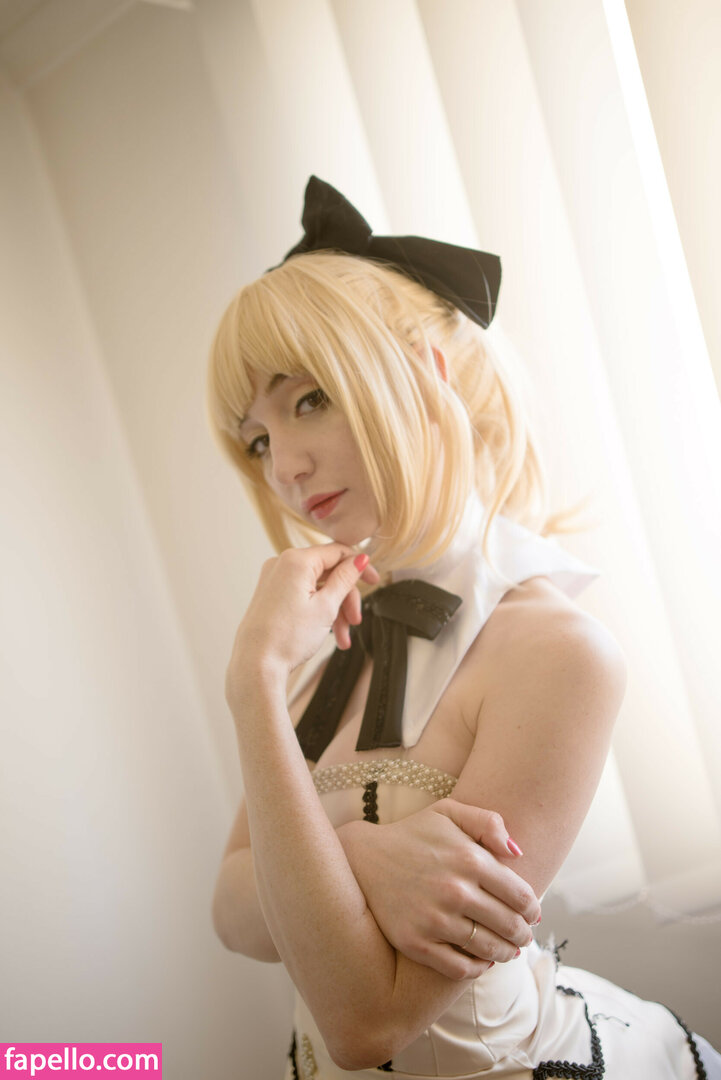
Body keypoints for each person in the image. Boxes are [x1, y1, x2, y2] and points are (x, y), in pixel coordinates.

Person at [207, 177, 720, 1078]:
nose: (283, 466)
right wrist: (365, 852)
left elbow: (367, 1023)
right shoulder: (317, 652)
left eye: (309, 399)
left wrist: (255, 689)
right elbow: (231, 916)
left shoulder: (557, 651)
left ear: (426, 374)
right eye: (256, 440)